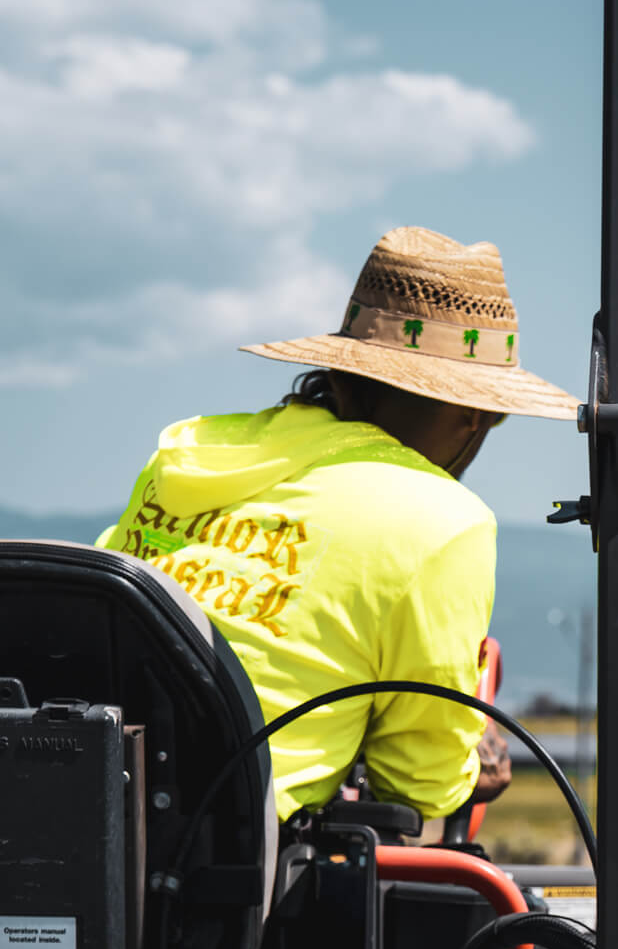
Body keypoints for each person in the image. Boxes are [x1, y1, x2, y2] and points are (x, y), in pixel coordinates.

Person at [98, 227, 578, 837]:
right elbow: (420, 784)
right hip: (213, 872)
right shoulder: (442, 521)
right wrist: (472, 763)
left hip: (66, 808)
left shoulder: (186, 448)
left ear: (339, 374)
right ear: (477, 415)